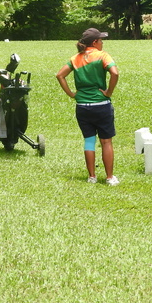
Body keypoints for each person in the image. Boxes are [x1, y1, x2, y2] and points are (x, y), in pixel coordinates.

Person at [56, 28, 120, 185]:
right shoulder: (102, 56)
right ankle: (109, 177)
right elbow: (115, 73)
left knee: (89, 141)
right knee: (106, 142)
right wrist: (108, 92)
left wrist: (72, 94)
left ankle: (92, 176)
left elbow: (60, 75)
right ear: (95, 42)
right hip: (101, 105)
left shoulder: (75, 59)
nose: (102, 43)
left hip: (83, 106)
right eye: (101, 40)